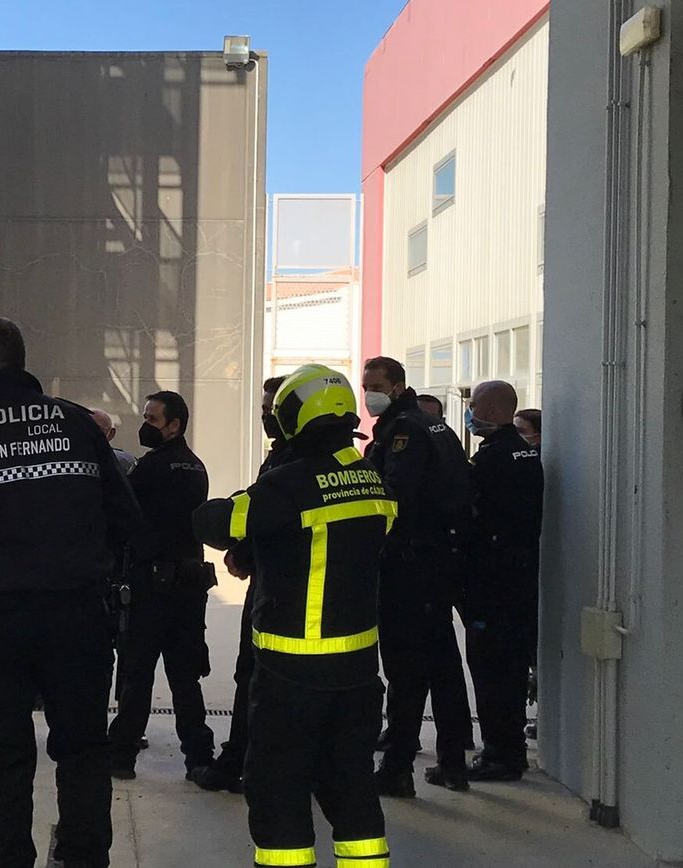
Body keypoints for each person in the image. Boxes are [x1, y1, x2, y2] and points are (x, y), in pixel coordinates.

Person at [0, 316, 141, 868]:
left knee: (0, 753)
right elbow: (127, 519)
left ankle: (8, 858)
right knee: (83, 747)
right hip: (79, 615)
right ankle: (86, 855)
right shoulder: (76, 423)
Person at [194, 364, 394, 868]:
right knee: (351, 789)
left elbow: (218, 521)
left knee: (278, 790)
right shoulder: (372, 478)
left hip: (292, 671)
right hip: (358, 671)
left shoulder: (290, 483)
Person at [361, 356, 474, 797]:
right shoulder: (435, 426)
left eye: (375, 384)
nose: (368, 392)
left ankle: (397, 765)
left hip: (409, 564)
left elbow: (392, 496)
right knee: (442, 660)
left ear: (397, 386)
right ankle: (452, 761)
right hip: (438, 560)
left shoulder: (403, 430)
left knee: (407, 665)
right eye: (365, 383)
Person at [108, 391, 215, 782]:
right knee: (185, 677)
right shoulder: (196, 467)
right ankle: (199, 756)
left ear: (174, 425)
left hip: (152, 587)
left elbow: (124, 517)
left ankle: (121, 754)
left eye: (152, 420)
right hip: (188, 586)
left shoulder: (150, 469)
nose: (145, 425)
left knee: (137, 674)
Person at [192, 375, 288, 794]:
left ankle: (239, 762)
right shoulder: (292, 461)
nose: (266, 416)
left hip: (278, 594)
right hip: (283, 590)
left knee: (254, 677)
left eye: (273, 410)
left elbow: (260, 516)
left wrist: (238, 549)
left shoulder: (289, 469)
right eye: (264, 409)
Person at [462, 382, 544, 782]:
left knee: (492, 670)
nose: (470, 411)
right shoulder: (527, 455)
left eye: (474, 405)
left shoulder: (494, 459)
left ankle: (500, 753)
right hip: (519, 579)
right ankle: (507, 749)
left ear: (493, 411)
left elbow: (474, 517)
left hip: (493, 584)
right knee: (510, 669)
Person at [90, 408, 139, 476]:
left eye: (96, 429)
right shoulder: (72, 459)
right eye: (82, 428)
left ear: (111, 434)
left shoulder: (123, 461)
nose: (88, 433)